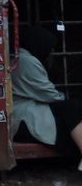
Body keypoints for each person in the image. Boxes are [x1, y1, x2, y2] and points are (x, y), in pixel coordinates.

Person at [11, 24, 82, 168]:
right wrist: (66, 99)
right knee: (71, 108)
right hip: (25, 119)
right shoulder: (26, 61)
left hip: (23, 115)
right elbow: (48, 94)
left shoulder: (20, 58)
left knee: (70, 114)